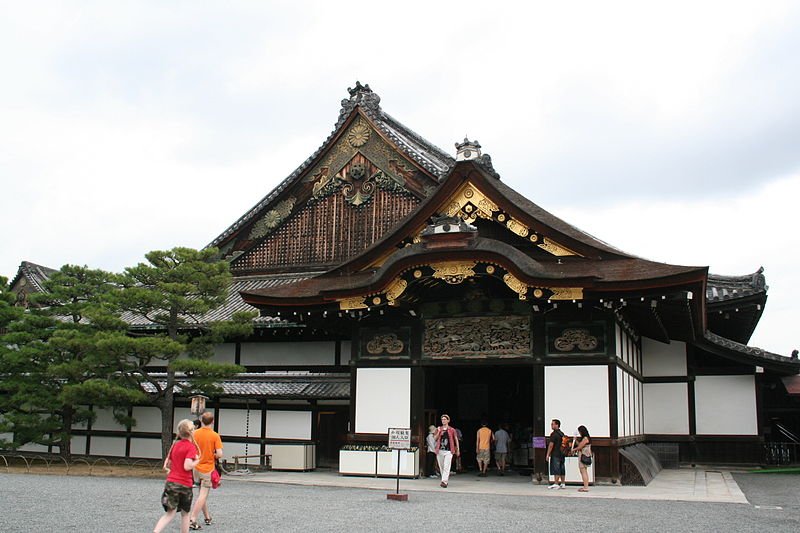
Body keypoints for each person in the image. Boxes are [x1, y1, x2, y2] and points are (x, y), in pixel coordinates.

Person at [153, 419, 200, 533]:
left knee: (170, 513)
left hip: (171, 482)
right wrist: (197, 461)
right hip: (184, 484)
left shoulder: (175, 445)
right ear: (192, 432)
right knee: (185, 514)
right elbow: (187, 466)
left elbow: (168, 464)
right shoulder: (191, 447)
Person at [188, 412, 223, 530]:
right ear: (212, 422)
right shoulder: (214, 435)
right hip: (207, 468)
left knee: (201, 494)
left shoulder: (194, 434)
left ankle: (207, 517)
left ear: (202, 421)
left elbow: (190, 448)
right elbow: (219, 454)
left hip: (196, 467)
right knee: (203, 495)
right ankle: (192, 518)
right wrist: (212, 454)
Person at [434, 414, 460, 488]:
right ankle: (444, 479)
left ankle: (444, 481)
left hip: (449, 450)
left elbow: (456, 439)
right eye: (442, 419)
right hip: (440, 450)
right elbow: (435, 438)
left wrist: (457, 449)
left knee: (446, 466)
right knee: (441, 466)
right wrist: (438, 432)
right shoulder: (439, 429)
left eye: (445, 419)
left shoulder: (452, 430)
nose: (443, 421)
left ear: (448, 420)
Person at [545, 419, 566, 489]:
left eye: (553, 424)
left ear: (557, 425)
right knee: (562, 467)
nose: (551, 425)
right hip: (562, 453)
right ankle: (563, 483)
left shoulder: (554, 434)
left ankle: (556, 483)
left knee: (556, 468)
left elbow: (551, 445)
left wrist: (548, 454)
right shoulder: (562, 434)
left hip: (555, 453)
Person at [572, 425, 592, 492]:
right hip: (585, 454)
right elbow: (580, 444)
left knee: (583, 471)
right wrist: (575, 440)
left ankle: (586, 487)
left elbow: (580, 447)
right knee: (583, 471)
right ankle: (585, 486)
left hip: (584, 455)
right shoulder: (586, 438)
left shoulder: (585, 438)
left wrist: (573, 449)